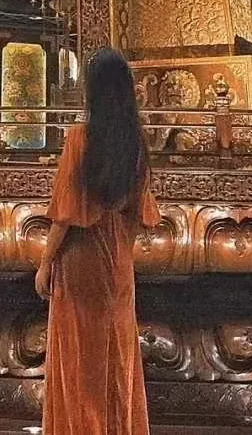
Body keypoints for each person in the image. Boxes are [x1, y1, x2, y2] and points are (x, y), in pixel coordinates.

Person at [35, 47, 159, 435]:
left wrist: (45, 261)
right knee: (117, 354)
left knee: (78, 358)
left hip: (80, 256)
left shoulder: (79, 138)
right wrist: (120, 253)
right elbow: (140, 213)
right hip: (118, 259)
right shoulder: (135, 142)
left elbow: (66, 212)